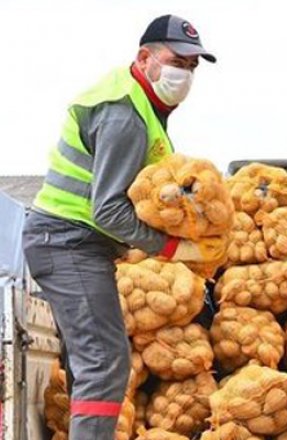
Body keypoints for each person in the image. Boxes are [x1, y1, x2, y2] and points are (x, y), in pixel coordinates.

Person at [21, 14, 222, 438]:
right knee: (107, 362)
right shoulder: (126, 115)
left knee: (90, 362)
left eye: (191, 67)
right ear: (144, 58)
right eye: (176, 61)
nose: (183, 74)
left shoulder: (138, 104)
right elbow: (108, 212)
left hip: (70, 243)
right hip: (68, 242)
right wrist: (173, 250)